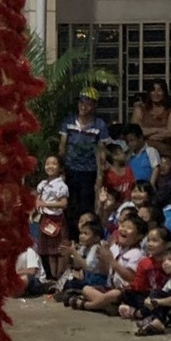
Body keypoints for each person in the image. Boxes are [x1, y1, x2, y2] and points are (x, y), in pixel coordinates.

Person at [59, 87, 109, 241]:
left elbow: (101, 154)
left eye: (88, 103)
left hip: (89, 172)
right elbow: (62, 147)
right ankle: (71, 239)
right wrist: (61, 171)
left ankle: (85, 239)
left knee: (86, 208)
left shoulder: (99, 125)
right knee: (69, 208)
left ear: (94, 105)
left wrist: (99, 178)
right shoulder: (68, 121)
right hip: (70, 170)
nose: (83, 106)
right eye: (81, 102)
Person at [35, 155, 68, 280]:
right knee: (49, 250)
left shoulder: (61, 186)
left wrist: (46, 204)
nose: (50, 166)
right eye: (47, 163)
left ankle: (59, 276)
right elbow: (38, 200)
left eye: (54, 164)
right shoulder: (42, 184)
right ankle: (52, 276)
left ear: (60, 168)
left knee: (58, 249)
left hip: (56, 219)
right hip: (45, 219)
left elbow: (64, 203)